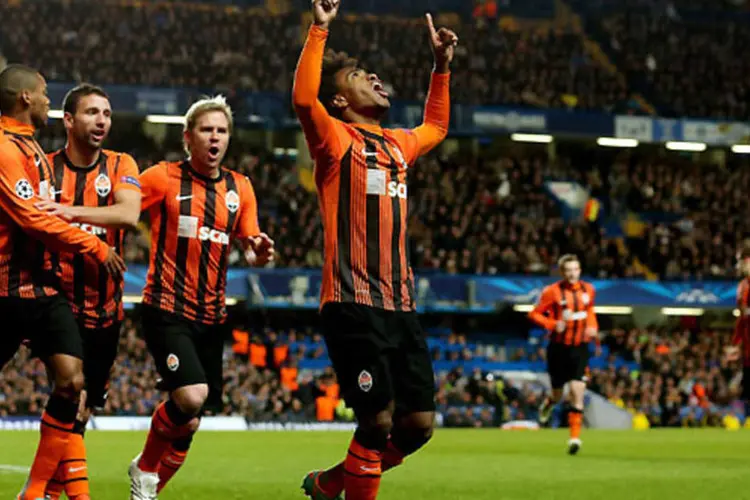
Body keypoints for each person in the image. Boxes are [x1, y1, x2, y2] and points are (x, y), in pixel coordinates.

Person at [292, 2, 457, 499]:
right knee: (377, 419)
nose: (376, 77)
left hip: (401, 307)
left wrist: (441, 68)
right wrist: (319, 30)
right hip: (352, 304)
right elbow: (304, 99)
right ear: (341, 101)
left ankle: (331, 483)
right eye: (363, 76)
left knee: (418, 425)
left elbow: (437, 128)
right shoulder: (335, 140)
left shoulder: (397, 145)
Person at [127, 95, 275, 500]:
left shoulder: (239, 188)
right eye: (207, 130)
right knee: (192, 396)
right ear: (188, 137)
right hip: (166, 306)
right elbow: (123, 211)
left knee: (189, 422)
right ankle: (143, 467)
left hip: (211, 315)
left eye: (222, 131)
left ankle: (148, 492)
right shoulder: (162, 178)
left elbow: (249, 240)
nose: (215, 137)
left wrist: (257, 252)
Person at [0, 64, 125, 500]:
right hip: (5, 288)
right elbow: (32, 218)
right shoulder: (5, 149)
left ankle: (35, 493)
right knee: (74, 388)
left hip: (42, 288)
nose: (49, 99)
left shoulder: (30, 147)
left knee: (73, 384)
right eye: (45, 93)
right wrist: (92, 246)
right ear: (25, 99)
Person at [34, 84, 142, 500]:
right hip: (58, 302)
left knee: (81, 412)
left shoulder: (120, 164)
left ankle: (49, 491)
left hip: (108, 310)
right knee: (70, 390)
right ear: (69, 120)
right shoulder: (44, 168)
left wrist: (69, 212)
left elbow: (128, 213)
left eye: (107, 114)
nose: (102, 121)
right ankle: (50, 491)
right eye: (92, 112)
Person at [528, 254, 598, 455]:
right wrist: (551, 324)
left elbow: (590, 311)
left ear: (580, 270)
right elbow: (534, 313)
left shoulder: (588, 290)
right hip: (558, 349)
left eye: (575, 269)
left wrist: (593, 326)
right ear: (562, 272)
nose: (572, 274)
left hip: (579, 348)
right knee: (558, 395)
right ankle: (549, 404)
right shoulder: (552, 292)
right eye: (568, 270)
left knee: (577, 391)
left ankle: (574, 439)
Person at [725, 245, 750, 415]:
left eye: (743, 261)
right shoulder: (743, 285)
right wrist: (736, 343)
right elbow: (742, 318)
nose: (740, 266)